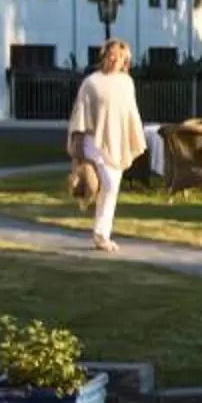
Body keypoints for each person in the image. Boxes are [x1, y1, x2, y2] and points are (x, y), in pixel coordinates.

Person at [66, 41, 145, 254]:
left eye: (119, 57)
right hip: (94, 140)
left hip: (117, 141)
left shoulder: (127, 83)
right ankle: (101, 234)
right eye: (110, 55)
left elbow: (130, 112)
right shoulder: (91, 83)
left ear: (125, 60)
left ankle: (101, 233)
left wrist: (133, 136)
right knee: (109, 184)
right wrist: (78, 146)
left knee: (111, 187)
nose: (114, 60)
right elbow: (80, 113)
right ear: (104, 56)